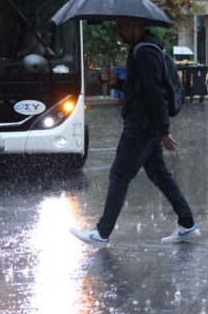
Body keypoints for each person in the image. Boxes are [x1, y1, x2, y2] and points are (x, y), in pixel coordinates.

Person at [70, 16, 200, 246]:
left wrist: (163, 131)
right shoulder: (142, 49)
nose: (119, 31)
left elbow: (156, 93)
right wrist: (115, 83)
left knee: (119, 175)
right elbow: (139, 90)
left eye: (121, 26)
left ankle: (102, 233)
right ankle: (187, 223)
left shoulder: (145, 52)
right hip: (146, 124)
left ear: (134, 25)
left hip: (141, 126)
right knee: (159, 175)